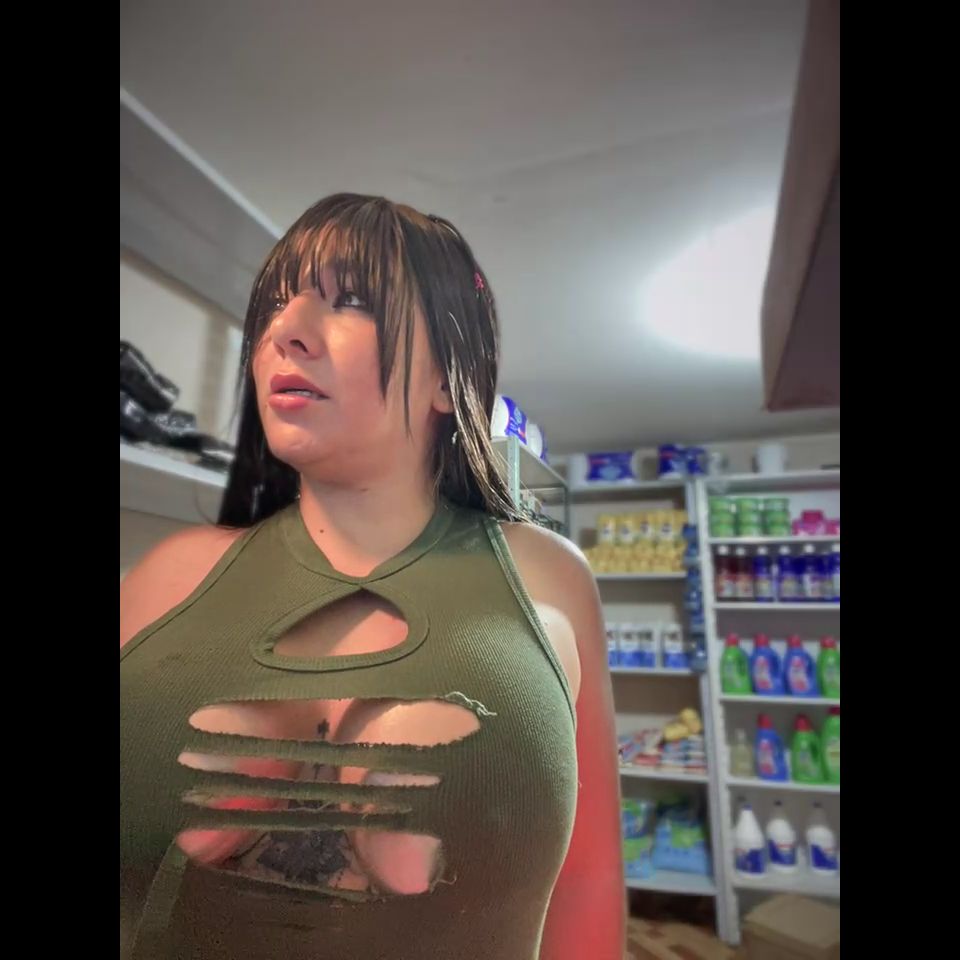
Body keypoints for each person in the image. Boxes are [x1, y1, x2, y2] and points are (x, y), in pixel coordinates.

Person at [120, 193, 624, 959]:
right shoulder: (166, 578)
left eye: (351, 300)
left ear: (448, 379)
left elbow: (587, 882)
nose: (286, 330)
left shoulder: (549, 578)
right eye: (276, 304)